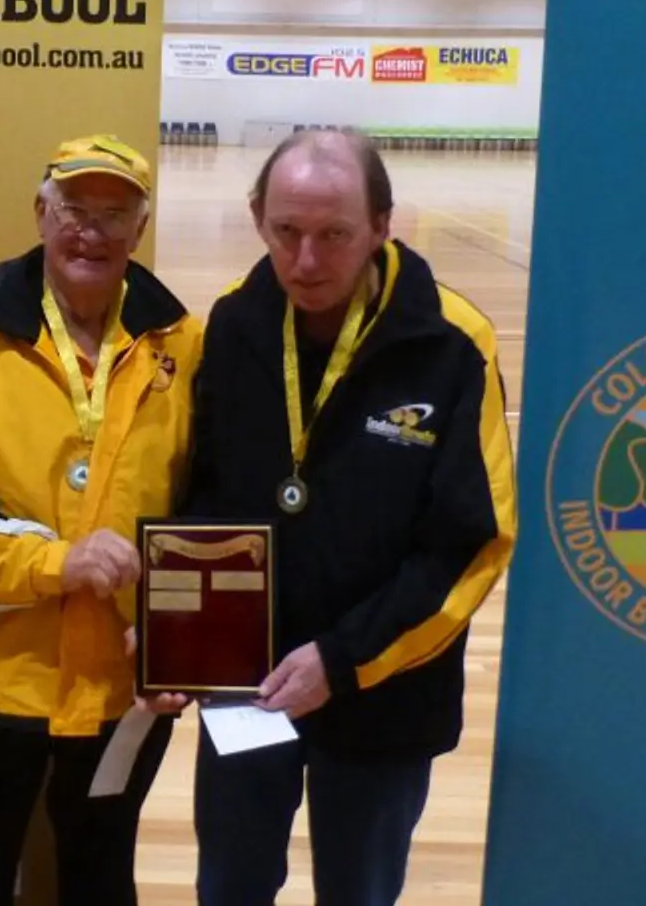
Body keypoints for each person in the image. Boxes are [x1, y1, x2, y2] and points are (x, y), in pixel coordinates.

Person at [182, 129, 517, 905]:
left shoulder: (452, 344)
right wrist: (182, 637)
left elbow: (472, 543)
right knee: (228, 888)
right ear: (258, 216)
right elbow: (205, 496)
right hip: (247, 687)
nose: (305, 261)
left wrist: (343, 659)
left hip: (385, 693)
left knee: (360, 896)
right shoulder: (233, 327)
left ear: (381, 224)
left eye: (333, 235)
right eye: (286, 233)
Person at [0, 135, 202, 906]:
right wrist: (58, 563)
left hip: (125, 683)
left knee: (101, 874)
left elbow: (207, 502)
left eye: (113, 214)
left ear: (141, 227)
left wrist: (179, 638)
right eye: (73, 210)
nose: (90, 232)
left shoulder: (185, 345)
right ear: (39, 214)